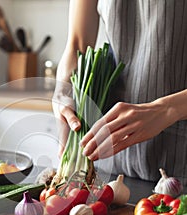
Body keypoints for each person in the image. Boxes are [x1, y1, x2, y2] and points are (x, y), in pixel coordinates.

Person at [52, 0, 187, 185]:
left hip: (180, 161)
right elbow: (77, 44)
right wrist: (62, 91)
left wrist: (167, 109)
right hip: (111, 162)